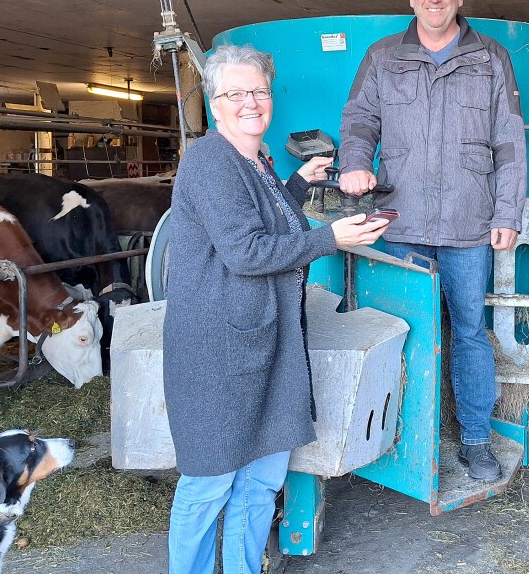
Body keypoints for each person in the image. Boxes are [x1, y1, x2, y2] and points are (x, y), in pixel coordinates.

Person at [163, 43, 390, 574]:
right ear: (214, 105)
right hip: (217, 348)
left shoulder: (257, 161)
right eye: (235, 93)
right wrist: (331, 237)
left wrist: (294, 183)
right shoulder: (210, 160)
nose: (250, 102)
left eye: (259, 91)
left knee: (261, 480)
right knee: (210, 480)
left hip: (265, 342)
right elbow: (246, 251)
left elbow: (267, 221)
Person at [337, 0, 527, 483]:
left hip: (469, 225)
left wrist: (508, 211)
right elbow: (359, 120)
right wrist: (353, 164)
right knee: (402, 331)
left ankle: (474, 440)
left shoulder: (491, 58)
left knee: (468, 333)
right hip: (400, 223)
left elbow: (510, 142)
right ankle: (398, 443)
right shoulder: (383, 56)